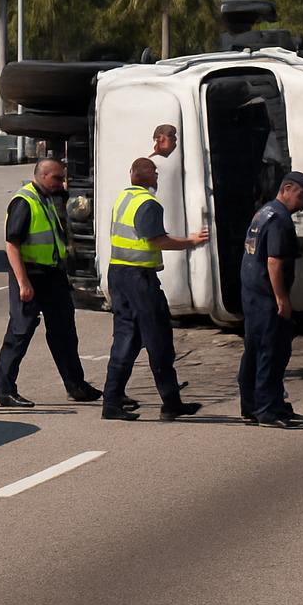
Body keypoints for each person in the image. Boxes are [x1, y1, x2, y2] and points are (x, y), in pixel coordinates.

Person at [101, 157, 209, 421]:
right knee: (158, 338)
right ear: (145, 175)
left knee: (126, 338)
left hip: (118, 274)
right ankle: (171, 403)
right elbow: (158, 240)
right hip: (139, 279)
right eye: (154, 171)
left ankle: (112, 402)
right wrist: (191, 241)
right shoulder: (148, 202)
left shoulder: (123, 197)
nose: (157, 175)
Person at [0, 158, 102, 408]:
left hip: (53, 275)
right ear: (43, 177)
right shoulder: (25, 201)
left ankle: (76, 385)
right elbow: (12, 245)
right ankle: (5, 390)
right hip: (31, 275)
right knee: (20, 332)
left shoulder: (49, 198)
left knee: (64, 331)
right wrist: (23, 282)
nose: (61, 183)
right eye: (57, 178)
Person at [236, 172, 303, 429]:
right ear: (287, 189)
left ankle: (252, 407)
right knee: (272, 353)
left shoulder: (265, 212)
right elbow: (274, 262)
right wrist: (282, 299)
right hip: (267, 297)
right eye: (301, 196)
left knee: (255, 352)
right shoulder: (281, 219)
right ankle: (268, 410)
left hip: (252, 293)